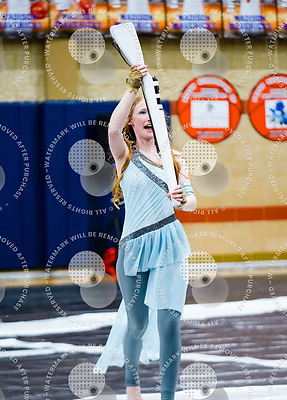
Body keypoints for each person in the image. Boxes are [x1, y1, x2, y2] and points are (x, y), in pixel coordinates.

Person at [96, 64, 197, 400]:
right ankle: (133, 388)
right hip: (134, 247)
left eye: (153, 112)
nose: (149, 117)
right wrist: (132, 87)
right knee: (137, 323)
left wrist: (182, 200)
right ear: (132, 121)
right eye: (142, 112)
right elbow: (112, 129)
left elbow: (192, 201)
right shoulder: (124, 156)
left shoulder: (176, 159)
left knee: (169, 322)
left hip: (169, 242)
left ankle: (168, 396)